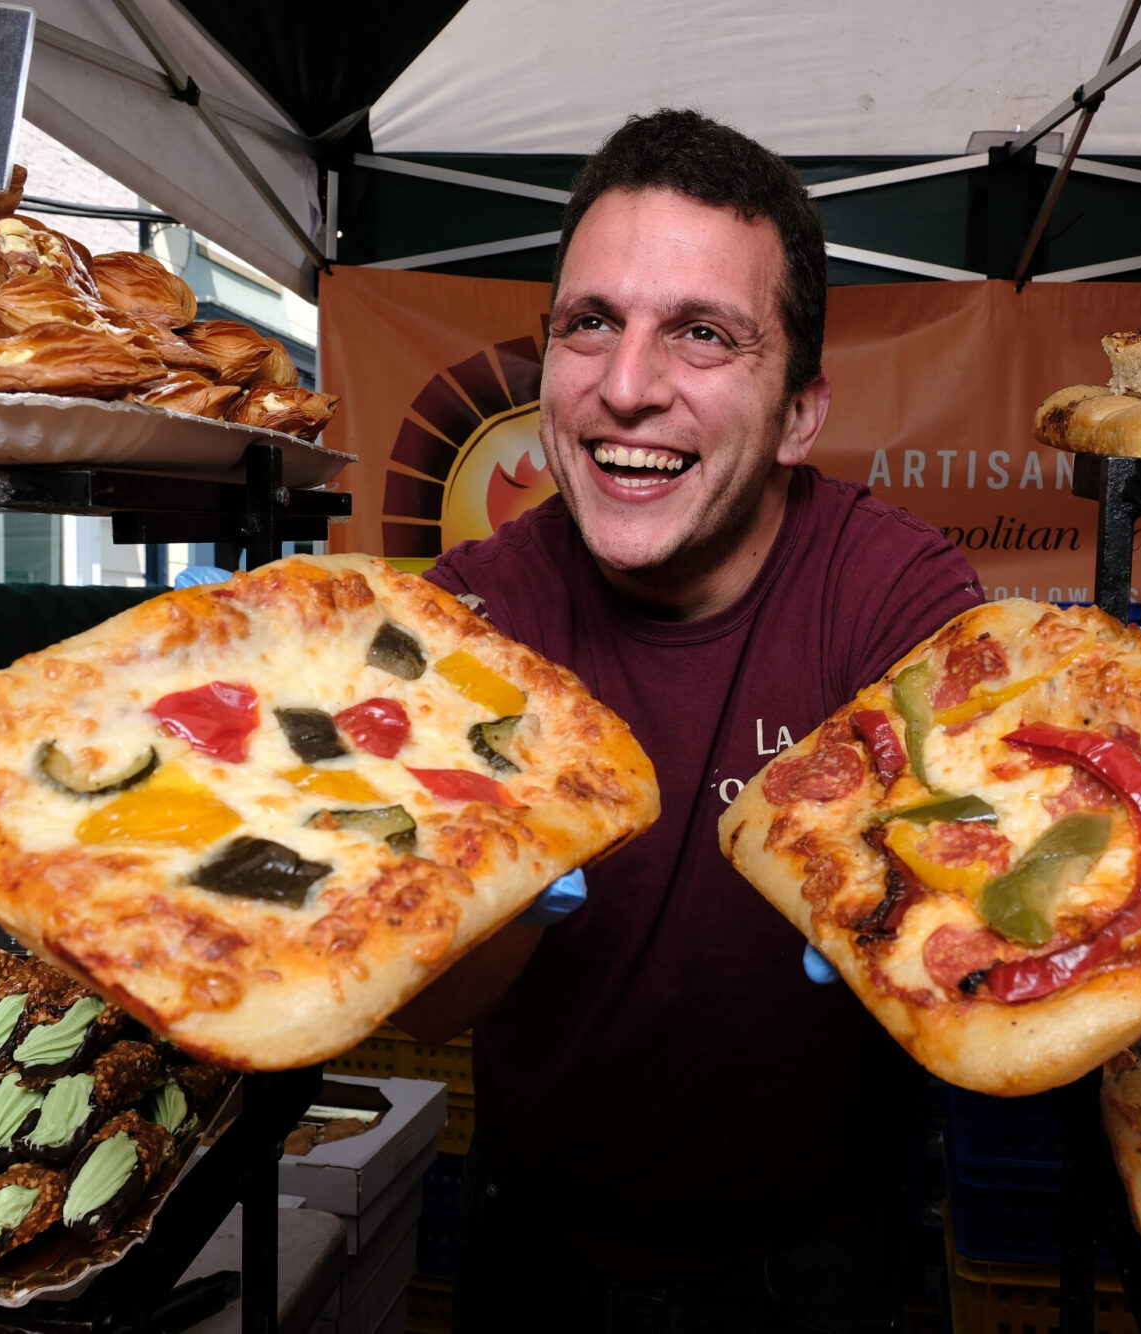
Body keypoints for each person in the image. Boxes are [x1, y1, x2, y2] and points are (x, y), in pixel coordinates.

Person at [394, 108, 985, 1333]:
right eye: (589, 323)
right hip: (534, 1234)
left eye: (701, 334)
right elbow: (425, 1009)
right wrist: (488, 893)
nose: (625, 388)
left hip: (822, 1249)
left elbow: (980, 938)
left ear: (799, 414)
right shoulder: (464, 621)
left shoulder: (895, 595)